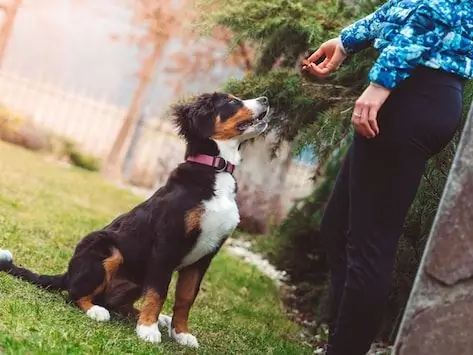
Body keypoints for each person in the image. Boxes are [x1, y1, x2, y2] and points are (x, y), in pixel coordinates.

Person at [303, 0, 473, 354]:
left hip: (416, 91)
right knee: (338, 228)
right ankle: (340, 343)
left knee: (370, 245)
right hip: (417, 89)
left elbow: (433, 12)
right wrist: (346, 41)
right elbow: (407, 5)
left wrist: (381, 83)